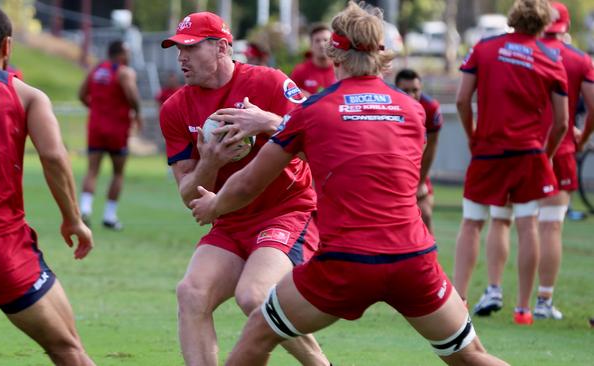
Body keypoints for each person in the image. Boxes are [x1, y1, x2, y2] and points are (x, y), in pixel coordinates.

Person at [190, 3, 508, 365]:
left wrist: (213, 206)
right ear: (381, 53)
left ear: (333, 52)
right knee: (470, 356)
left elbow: (247, 184)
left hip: (346, 262)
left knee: (258, 334)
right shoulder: (411, 109)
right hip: (413, 260)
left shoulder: (313, 111)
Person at [159, 11, 329, 366]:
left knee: (255, 295)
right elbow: (190, 197)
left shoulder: (269, 82)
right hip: (230, 217)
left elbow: (323, 139)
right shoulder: (175, 108)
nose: (181, 57)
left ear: (222, 47)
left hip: (287, 211)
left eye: (190, 48)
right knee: (191, 293)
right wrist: (211, 162)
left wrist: (268, 122)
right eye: (177, 49)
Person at [0, 4, 94, 365]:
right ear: (7, 46)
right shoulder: (27, 96)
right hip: (2, 250)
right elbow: (55, 157)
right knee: (67, 349)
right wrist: (73, 219)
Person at [472, 1, 594, 321]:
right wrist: (579, 139)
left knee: (501, 219)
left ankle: (494, 288)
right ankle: (539, 302)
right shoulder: (577, 59)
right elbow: (588, 109)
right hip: (556, 150)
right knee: (549, 225)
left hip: (509, 148)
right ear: (563, 26)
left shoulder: (508, 50)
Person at [453, 0, 568, 325]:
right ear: (543, 24)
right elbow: (561, 121)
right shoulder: (551, 58)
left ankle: (458, 303)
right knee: (528, 224)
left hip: (488, 149)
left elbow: (462, 99)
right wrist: (544, 154)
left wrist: (473, 135)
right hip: (529, 153)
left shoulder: (485, 48)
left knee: (473, 222)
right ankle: (523, 309)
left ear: (513, 17)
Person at [78, 40, 142, 231]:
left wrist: (97, 109)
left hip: (96, 127)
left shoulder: (96, 70)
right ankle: (109, 216)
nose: (129, 56)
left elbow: (81, 94)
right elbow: (132, 97)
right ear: (121, 54)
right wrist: (137, 114)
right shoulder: (124, 72)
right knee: (118, 173)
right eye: (128, 52)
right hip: (117, 128)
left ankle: (85, 210)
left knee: (92, 170)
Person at [395, 68, 444, 234]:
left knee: (426, 214)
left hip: (415, 171)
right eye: (405, 90)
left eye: (415, 90)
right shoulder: (387, 106)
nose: (411, 95)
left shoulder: (429, 108)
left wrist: (421, 181)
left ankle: (430, 259)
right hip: (390, 172)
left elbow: (432, 146)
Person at [291, 23, 336, 97]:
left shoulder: (341, 70)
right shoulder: (300, 71)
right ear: (311, 45)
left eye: (325, 40)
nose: (321, 44)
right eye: (317, 41)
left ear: (332, 44)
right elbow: (290, 100)